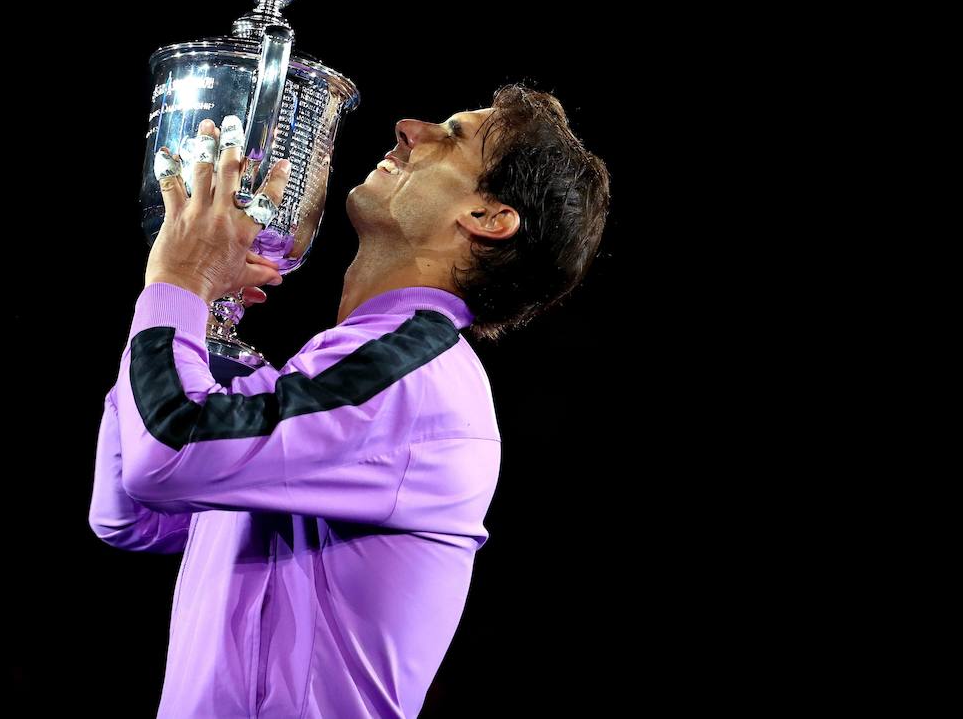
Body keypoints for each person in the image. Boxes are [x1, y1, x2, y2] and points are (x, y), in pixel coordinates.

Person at [89, 83, 611, 718]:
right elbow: (136, 516)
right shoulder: (350, 368)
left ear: (488, 217)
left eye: (452, 136)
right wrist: (203, 322)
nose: (410, 127)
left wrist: (179, 284)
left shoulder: (412, 380)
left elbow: (165, 457)